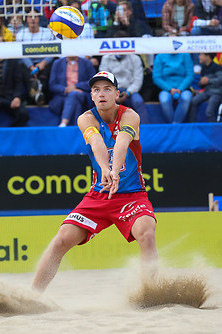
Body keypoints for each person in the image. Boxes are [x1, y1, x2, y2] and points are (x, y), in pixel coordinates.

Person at [31, 71, 158, 293]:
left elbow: (122, 142)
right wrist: (105, 169)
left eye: (107, 89)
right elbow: (97, 142)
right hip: (99, 196)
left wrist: (115, 171)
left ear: (117, 94)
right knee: (61, 239)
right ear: (91, 95)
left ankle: (152, 292)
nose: (102, 94)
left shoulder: (130, 116)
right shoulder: (86, 118)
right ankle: (32, 296)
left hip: (132, 195)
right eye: (97, 90)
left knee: (146, 233)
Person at [99, 38, 149, 124]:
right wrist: (114, 93)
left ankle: (145, 130)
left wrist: (128, 92)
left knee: (138, 101)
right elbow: (104, 79)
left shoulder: (135, 58)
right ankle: (105, 131)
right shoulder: (106, 58)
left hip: (130, 91)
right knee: (103, 104)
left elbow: (138, 80)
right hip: (112, 91)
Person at [15, 8, 56, 105]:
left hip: (44, 62)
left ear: (39, 19)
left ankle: (40, 96)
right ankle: (35, 97)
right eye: (30, 17)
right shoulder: (21, 34)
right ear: (26, 19)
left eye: (35, 17)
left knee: (48, 72)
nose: (33, 19)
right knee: (24, 73)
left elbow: (54, 51)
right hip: (28, 63)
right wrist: (31, 66)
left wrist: (43, 63)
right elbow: (21, 54)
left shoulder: (47, 33)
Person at [49, 56, 96, 127]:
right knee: (75, 101)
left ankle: (64, 122)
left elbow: (93, 82)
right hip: (62, 96)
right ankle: (77, 127)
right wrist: (66, 89)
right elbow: (52, 85)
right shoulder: (57, 63)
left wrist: (76, 86)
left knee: (74, 95)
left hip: (82, 94)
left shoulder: (86, 63)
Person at [152, 52, 194, 123]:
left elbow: (190, 75)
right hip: (166, 89)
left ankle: (175, 125)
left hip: (183, 88)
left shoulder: (185, 55)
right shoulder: (160, 56)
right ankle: (174, 124)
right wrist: (169, 89)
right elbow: (156, 77)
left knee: (186, 98)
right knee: (164, 100)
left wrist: (180, 88)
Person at [188, 53, 222, 122]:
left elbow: (221, 80)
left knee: (209, 112)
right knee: (193, 102)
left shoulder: (218, 67)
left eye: (201, 55)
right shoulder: (203, 68)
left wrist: (208, 80)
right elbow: (201, 85)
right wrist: (201, 83)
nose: (199, 57)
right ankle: (192, 124)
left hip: (217, 93)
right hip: (206, 91)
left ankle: (212, 129)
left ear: (208, 56)